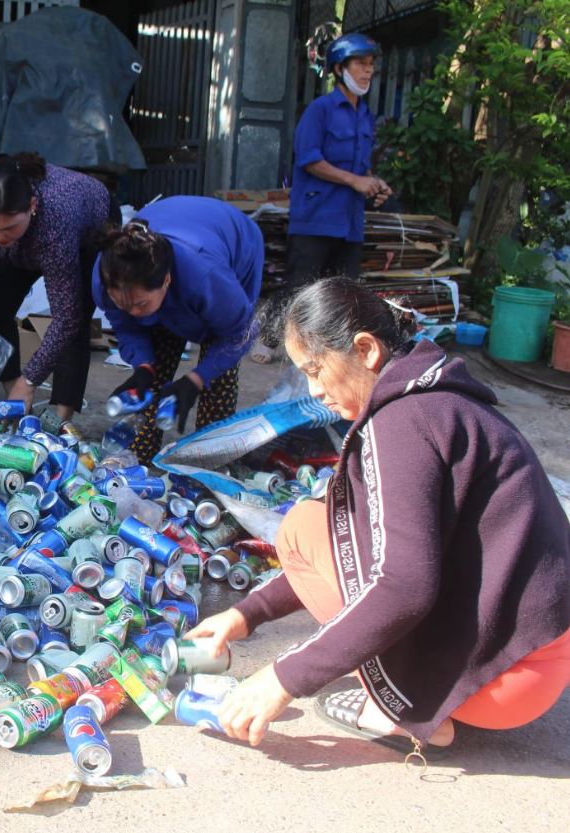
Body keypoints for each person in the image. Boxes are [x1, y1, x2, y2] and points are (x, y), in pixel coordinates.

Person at [190, 278, 570, 758]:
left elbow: (404, 586)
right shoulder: (430, 388)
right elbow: (358, 536)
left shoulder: (402, 423)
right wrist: (245, 615)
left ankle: (400, 708)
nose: (313, 391)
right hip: (539, 652)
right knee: (321, 524)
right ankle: (419, 685)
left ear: (366, 350)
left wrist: (283, 678)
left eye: (315, 370)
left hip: (503, 680)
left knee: (303, 529)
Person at [252, 33, 392, 364]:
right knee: (300, 284)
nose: (367, 71)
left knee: (345, 289)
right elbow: (309, 159)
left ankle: (330, 350)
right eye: (360, 64)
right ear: (339, 68)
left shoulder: (365, 116)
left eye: (371, 65)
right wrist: (356, 180)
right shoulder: (321, 110)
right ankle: (270, 339)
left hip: (349, 221)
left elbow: (361, 168)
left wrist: (374, 184)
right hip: (316, 216)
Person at [0, 152, 116, 419]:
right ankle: (13, 400)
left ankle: (60, 420)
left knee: (75, 317)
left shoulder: (55, 221)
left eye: (8, 228)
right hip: (34, 232)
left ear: (32, 205)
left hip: (88, 227)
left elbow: (65, 319)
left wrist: (32, 378)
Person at [91, 196, 264, 463]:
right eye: (122, 303)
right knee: (154, 376)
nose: (132, 311)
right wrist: (143, 366)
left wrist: (196, 379)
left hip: (233, 242)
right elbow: (125, 324)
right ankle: (141, 457)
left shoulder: (206, 277)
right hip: (178, 234)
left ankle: (209, 461)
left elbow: (240, 333)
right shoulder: (107, 276)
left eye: (140, 303)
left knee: (217, 377)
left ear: (167, 280)